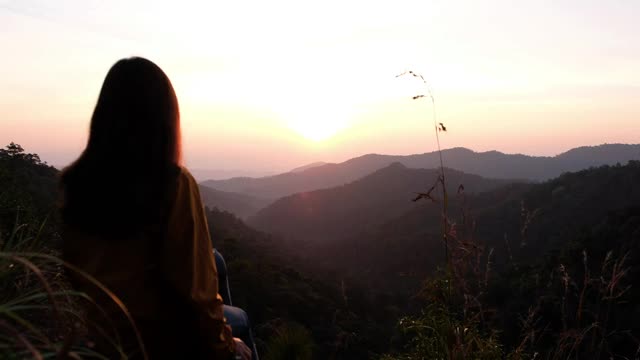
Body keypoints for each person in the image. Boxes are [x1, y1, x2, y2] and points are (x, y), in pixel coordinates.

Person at [59, 57, 252, 360]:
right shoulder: (172, 184)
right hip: (162, 343)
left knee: (217, 260)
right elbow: (198, 297)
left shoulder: (75, 185)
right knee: (240, 318)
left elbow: (76, 273)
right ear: (164, 119)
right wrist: (227, 345)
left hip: (106, 338)